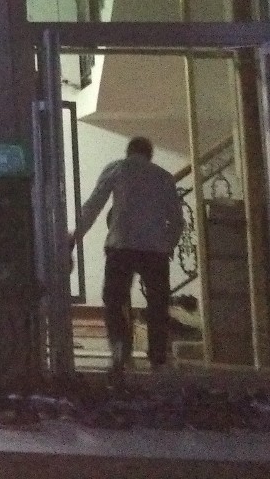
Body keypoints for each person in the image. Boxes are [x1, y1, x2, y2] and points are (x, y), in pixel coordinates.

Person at [65, 136, 184, 377]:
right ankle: (158, 357)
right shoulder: (164, 177)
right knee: (158, 303)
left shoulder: (117, 168)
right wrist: (168, 244)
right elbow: (177, 220)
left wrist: (75, 236)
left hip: (121, 246)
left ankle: (120, 349)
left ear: (128, 152)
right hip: (155, 250)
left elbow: (93, 205)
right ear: (150, 154)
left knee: (114, 299)